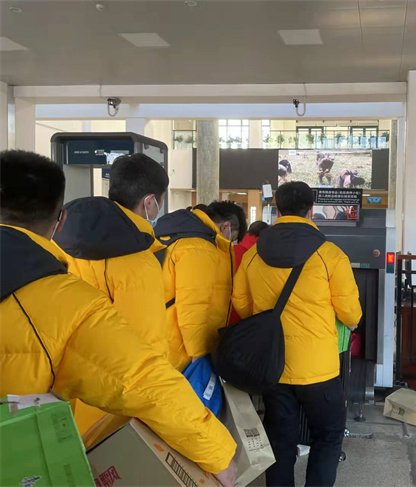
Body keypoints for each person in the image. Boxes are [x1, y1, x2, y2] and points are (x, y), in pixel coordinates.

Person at [0, 150, 237, 486]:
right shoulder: (73, 295)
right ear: (59, 219)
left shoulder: (69, 256)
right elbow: (141, 374)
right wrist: (219, 453)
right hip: (61, 443)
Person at [232, 181, 362, 487]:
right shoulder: (330, 255)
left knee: (280, 441)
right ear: (311, 210)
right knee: (328, 436)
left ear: (277, 210)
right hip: (319, 369)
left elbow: (240, 303)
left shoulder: (254, 255)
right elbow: (351, 313)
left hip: (274, 367)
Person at [54, 153, 170, 440]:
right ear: (149, 202)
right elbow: (145, 346)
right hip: (111, 407)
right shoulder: (138, 261)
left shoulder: (59, 241)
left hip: (61, 394)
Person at [155, 201, 244, 370]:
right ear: (225, 226)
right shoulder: (198, 248)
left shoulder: (177, 236)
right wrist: (198, 354)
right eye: (233, 238)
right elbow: (193, 306)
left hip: (162, 338)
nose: (231, 243)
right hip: (180, 352)